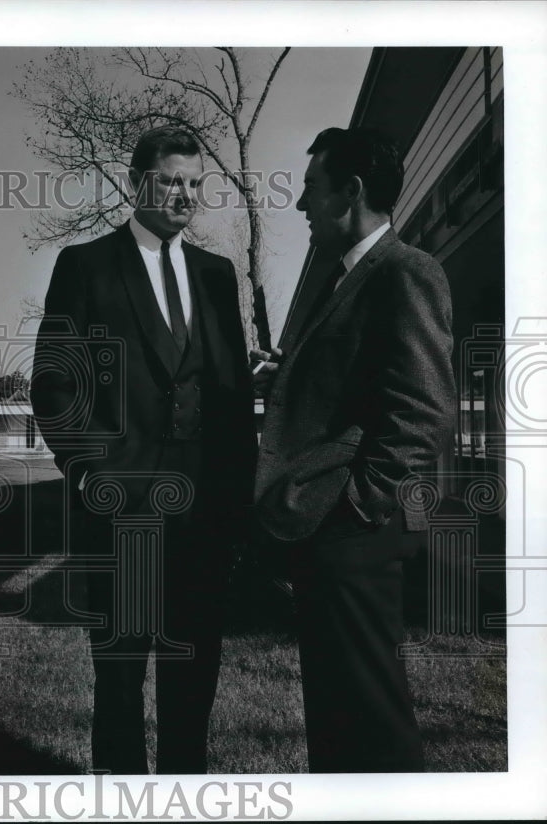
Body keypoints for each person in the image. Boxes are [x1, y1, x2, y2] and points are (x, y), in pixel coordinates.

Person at [31, 125, 256, 774]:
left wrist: (237, 509)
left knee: (194, 686)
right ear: (137, 185)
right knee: (120, 685)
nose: (184, 194)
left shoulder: (217, 276)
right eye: (170, 182)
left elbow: (234, 401)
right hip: (118, 518)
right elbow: (53, 382)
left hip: (204, 524)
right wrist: (87, 471)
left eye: (194, 183)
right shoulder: (86, 266)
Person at [251, 126, 456, 772]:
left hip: (356, 543)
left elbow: (421, 414)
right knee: (338, 729)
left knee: (373, 729)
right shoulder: (349, 278)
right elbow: (359, 390)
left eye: (312, 188)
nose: (301, 204)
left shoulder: (406, 272)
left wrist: (356, 512)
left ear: (352, 192)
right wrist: (288, 371)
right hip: (333, 543)